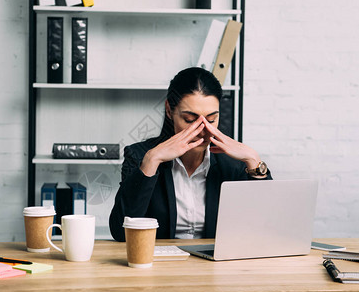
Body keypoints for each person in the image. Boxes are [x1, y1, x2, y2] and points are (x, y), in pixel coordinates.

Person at [109, 67, 272, 242]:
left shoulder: (234, 163)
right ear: (169, 111)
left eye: (211, 120)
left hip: (215, 265)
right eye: (189, 120)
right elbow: (121, 232)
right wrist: (152, 160)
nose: (202, 131)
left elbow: (267, 228)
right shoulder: (140, 155)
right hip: (159, 265)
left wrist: (253, 160)